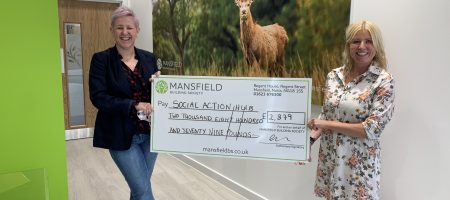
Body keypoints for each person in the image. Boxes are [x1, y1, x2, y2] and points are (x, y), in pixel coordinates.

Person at [307, 20, 395, 200]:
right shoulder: (333, 76)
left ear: (376, 45)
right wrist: (307, 143)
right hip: (330, 161)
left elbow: (371, 129)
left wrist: (326, 123)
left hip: (359, 169)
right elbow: (326, 114)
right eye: (356, 41)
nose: (361, 46)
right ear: (348, 45)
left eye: (368, 41)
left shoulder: (384, 81)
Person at [89, 6, 160, 200]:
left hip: (151, 135)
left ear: (137, 30)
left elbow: (157, 96)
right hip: (120, 135)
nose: (125, 32)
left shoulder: (148, 58)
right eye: (120, 28)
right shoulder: (101, 60)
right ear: (112, 30)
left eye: (130, 28)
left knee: (139, 188)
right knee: (142, 189)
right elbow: (98, 97)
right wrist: (134, 104)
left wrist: (162, 85)